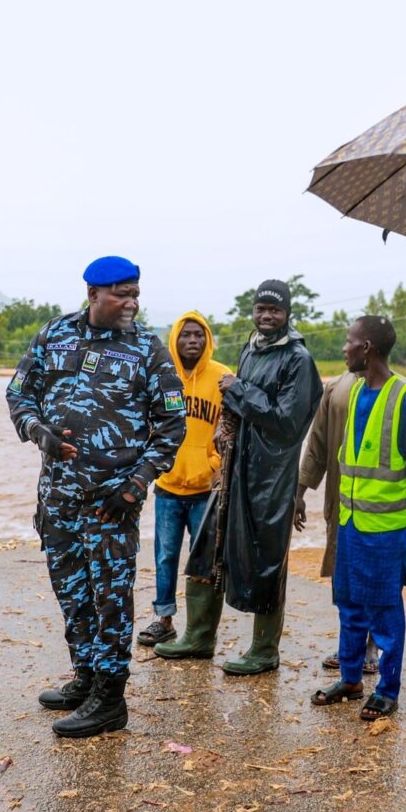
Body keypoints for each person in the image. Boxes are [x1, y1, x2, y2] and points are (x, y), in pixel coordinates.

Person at [6, 256, 185, 738]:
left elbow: (173, 423)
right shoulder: (54, 335)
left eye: (136, 294)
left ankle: (110, 697)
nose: (131, 303)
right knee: (72, 592)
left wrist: (136, 484)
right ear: (93, 295)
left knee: (110, 597)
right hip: (58, 497)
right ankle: (85, 678)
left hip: (112, 502)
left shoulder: (147, 347)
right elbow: (18, 394)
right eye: (121, 294)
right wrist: (37, 430)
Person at [157, 279, 322, 674]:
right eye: (261, 309)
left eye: (275, 310)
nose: (267, 316)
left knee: (266, 560)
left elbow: (287, 421)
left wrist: (239, 389)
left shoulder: (298, 359)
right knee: (207, 546)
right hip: (232, 468)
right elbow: (235, 405)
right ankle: (199, 636)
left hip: (270, 478)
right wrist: (228, 418)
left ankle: (264, 650)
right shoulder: (251, 348)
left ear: (287, 314)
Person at [308, 315, 406, 720]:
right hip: (349, 524)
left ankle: (387, 690)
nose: (344, 348)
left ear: (367, 349)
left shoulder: (405, 399)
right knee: (349, 603)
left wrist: (395, 508)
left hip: (384, 530)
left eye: (349, 341)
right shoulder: (356, 391)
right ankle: (350, 678)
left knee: (384, 611)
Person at [137, 312, 229, 648]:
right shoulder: (162, 374)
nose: (193, 341)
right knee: (165, 556)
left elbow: (229, 427)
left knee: (203, 559)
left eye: (199, 335)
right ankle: (164, 618)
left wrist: (214, 464)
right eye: (186, 335)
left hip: (206, 489)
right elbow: (147, 422)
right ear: (174, 338)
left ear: (207, 339)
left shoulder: (222, 377)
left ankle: (198, 627)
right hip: (168, 487)